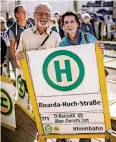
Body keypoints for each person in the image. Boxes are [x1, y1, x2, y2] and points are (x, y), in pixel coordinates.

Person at [60, 11, 104, 142]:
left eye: (72, 21)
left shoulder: (89, 38)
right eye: (66, 22)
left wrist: (100, 49)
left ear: (78, 23)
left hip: (89, 83)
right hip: (73, 84)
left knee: (88, 113)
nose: (69, 24)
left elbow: (99, 59)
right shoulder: (62, 44)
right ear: (63, 26)